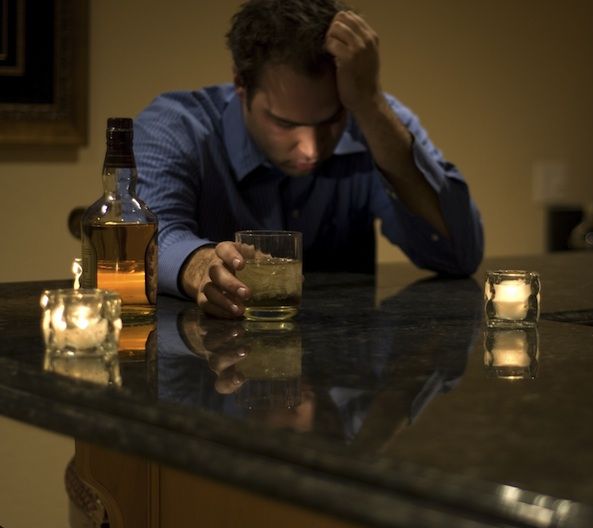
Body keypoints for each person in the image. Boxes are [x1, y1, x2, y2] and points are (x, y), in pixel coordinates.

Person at [134, 0, 484, 318]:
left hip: (343, 368)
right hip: (209, 371)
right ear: (241, 85)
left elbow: (457, 256)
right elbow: (147, 238)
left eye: (332, 120)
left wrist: (370, 103)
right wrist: (201, 265)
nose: (311, 150)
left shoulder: (372, 118)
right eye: (285, 123)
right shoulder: (177, 126)